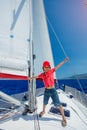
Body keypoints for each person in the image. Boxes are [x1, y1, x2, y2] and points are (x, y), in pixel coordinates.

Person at [28, 57, 69, 127]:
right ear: (43, 68)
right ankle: (43, 111)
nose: (46, 68)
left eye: (47, 67)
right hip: (46, 90)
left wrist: (64, 61)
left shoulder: (51, 71)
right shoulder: (42, 75)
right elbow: (37, 76)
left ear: (49, 67)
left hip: (53, 90)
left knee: (58, 104)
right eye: (45, 67)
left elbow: (58, 66)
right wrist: (30, 78)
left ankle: (63, 116)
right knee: (44, 102)